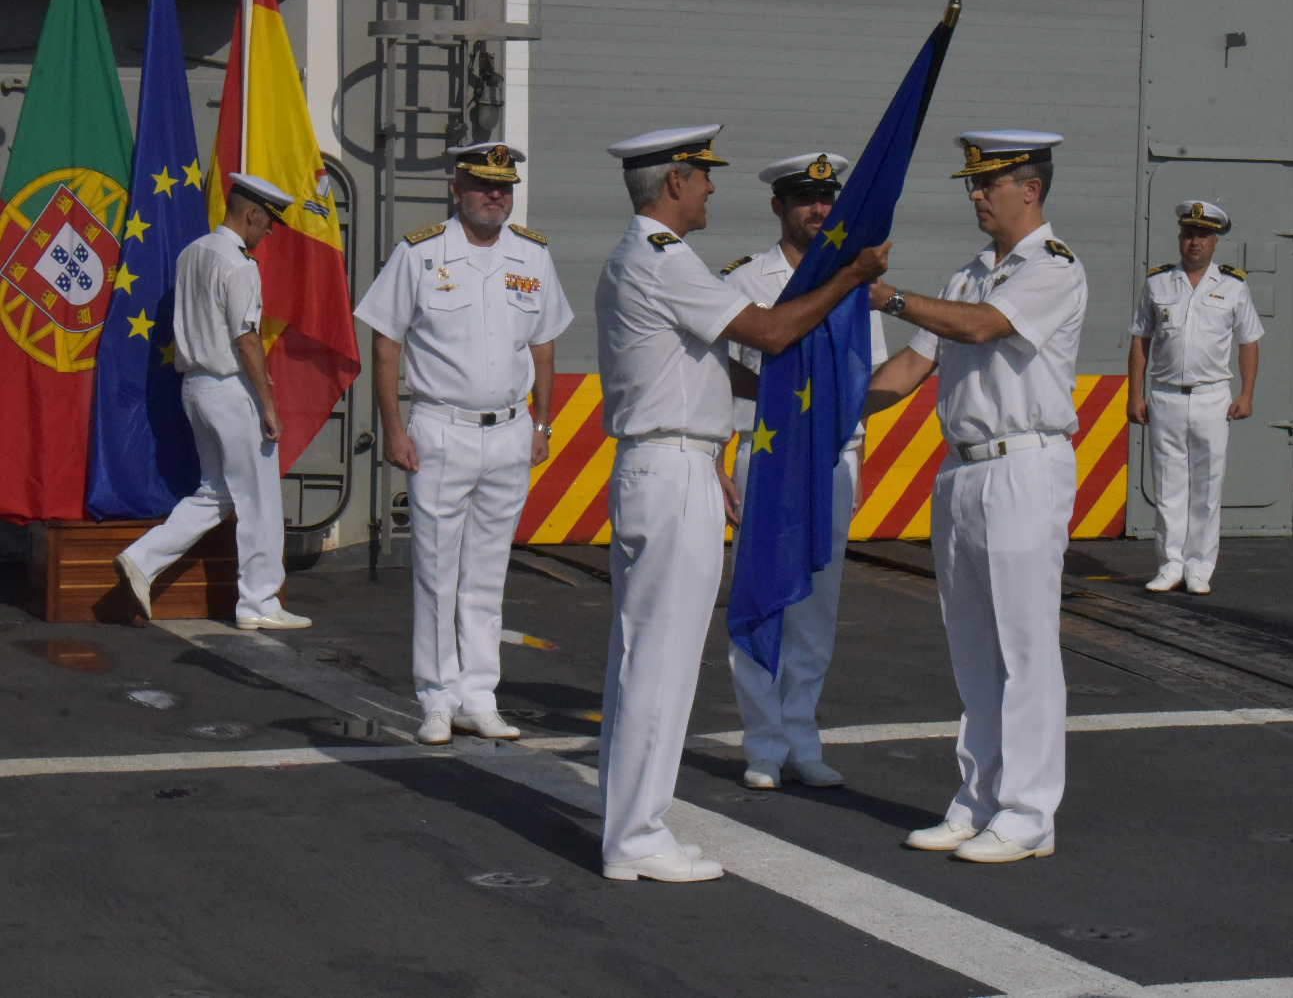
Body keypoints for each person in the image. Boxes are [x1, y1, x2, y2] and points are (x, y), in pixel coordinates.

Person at [596, 125, 889, 882]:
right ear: (673, 184)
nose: (710, 189)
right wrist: (850, 277)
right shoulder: (666, 260)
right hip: (670, 470)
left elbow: (726, 371)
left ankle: (635, 823)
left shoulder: (643, 258)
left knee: (642, 660)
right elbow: (771, 329)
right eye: (701, 176)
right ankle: (635, 837)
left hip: (669, 464)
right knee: (659, 663)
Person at [864, 130, 1084, 864]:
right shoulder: (966, 275)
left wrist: (889, 295)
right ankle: (980, 798)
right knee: (973, 650)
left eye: (989, 182)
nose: (976, 195)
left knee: (1025, 648)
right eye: (973, 183)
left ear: (1032, 188)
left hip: (1024, 465)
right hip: (962, 470)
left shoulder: (1053, 268)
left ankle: (1028, 815)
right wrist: (836, 406)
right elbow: (911, 365)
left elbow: (985, 329)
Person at [354, 142, 573, 745]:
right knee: (435, 572)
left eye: (504, 186)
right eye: (482, 185)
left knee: (487, 571)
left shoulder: (532, 254)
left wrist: (544, 423)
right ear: (457, 187)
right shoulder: (420, 253)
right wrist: (393, 427)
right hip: (440, 430)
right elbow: (385, 342)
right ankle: (436, 696)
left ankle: (480, 695)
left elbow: (545, 343)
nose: (494, 196)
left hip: (509, 431)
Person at [722, 151, 888, 791]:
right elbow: (720, 375)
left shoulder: (855, 282)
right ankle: (762, 745)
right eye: (805, 200)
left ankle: (801, 736)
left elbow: (863, 382)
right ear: (778, 207)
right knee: (763, 595)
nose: (819, 210)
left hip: (831, 460)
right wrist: (719, 461)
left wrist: (860, 460)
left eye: (828, 201)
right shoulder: (743, 280)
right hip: (764, 457)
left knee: (818, 607)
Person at [114, 174, 314, 632]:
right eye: (268, 225)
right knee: (259, 497)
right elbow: (246, 339)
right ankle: (258, 601)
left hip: (194, 389)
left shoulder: (191, 254)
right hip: (230, 388)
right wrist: (267, 403)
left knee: (216, 492)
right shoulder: (240, 266)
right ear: (252, 215)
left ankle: (142, 560)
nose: (269, 234)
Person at [1126, 201, 1262, 595]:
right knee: (1168, 485)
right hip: (1166, 395)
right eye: (1188, 234)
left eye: (1202, 235)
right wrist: (1136, 394)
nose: (1194, 243)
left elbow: (1249, 342)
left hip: (1211, 397)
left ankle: (1200, 566)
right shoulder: (1157, 283)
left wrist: (1247, 393)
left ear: (1215, 241)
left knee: (1207, 485)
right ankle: (1170, 562)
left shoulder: (1233, 285)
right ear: (1180, 238)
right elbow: (1140, 340)